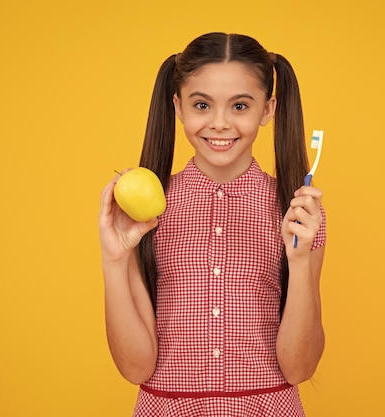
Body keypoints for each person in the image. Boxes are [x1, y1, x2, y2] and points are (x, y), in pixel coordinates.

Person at [98, 32, 326, 416]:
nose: (219, 123)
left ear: (268, 110)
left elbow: (300, 368)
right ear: (179, 107)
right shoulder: (145, 212)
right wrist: (114, 259)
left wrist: (299, 262)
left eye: (240, 105)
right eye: (202, 104)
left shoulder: (296, 214)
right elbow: (135, 367)